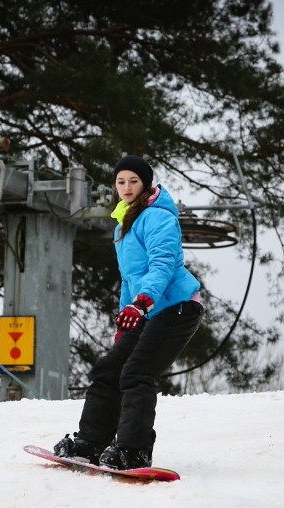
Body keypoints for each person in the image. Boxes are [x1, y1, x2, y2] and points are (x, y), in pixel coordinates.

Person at [54, 155, 204, 469]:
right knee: (108, 370)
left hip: (177, 307)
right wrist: (126, 317)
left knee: (137, 373)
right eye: (121, 181)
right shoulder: (124, 223)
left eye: (133, 181)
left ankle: (133, 450)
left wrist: (141, 303)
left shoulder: (159, 216)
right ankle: (91, 443)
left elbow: (162, 266)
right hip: (146, 309)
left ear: (145, 184)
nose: (126, 187)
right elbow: (129, 279)